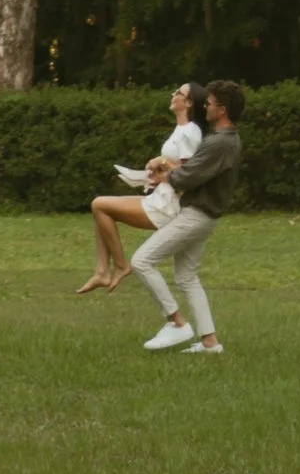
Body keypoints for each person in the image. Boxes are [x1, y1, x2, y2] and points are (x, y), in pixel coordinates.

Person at [129, 79, 243, 355]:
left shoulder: (219, 143)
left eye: (211, 103)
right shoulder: (224, 140)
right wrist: (169, 171)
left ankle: (176, 323)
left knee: (142, 261)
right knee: (186, 277)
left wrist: (165, 175)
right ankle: (210, 342)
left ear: (223, 109)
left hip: (195, 215)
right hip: (205, 216)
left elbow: (189, 177)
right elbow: (192, 171)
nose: (206, 105)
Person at [77, 83, 202, 290]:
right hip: (159, 197)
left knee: (99, 205)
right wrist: (156, 169)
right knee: (99, 210)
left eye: (178, 93)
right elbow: (175, 162)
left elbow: (188, 172)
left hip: (167, 207)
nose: (173, 94)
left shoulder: (191, 131)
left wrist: (160, 164)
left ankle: (120, 266)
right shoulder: (181, 129)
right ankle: (101, 272)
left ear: (188, 103)